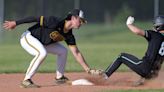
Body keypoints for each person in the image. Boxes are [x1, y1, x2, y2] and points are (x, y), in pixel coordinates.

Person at [3, 9, 103, 88]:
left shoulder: (69, 35)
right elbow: (35, 18)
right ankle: (26, 80)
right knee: (42, 53)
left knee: (63, 51)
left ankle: (59, 77)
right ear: (73, 18)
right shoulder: (55, 21)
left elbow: (76, 53)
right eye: (80, 21)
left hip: (43, 43)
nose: (81, 23)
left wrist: (88, 70)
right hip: (29, 37)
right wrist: (16, 23)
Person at [103, 16, 164, 86]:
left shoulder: (154, 34)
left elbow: (137, 31)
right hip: (154, 74)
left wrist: (129, 24)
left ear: (158, 26)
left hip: (144, 68)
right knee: (150, 65)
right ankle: (143, 82)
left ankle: (104, 76)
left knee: (121, 56)